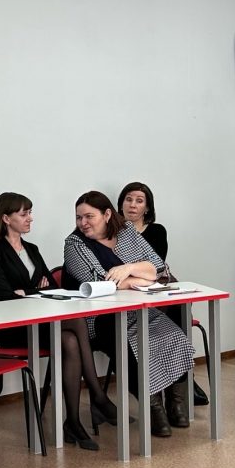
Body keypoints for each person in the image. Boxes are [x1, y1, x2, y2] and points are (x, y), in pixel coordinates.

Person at [62, 191, 196, 442]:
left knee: (174, 333)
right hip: (96, 319)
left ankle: (176, 403)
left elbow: (158, 267)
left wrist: (129, 269)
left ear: (107, 214)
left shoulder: (126, 232)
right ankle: (153, 406)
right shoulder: (75, 244)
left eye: (89, 216)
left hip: (135, 310)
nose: (83, 223)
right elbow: (99, 283)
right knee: (125, 342)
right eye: (79, 217)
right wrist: (142, 277)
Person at [118, 180, 207, 418]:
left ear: (147, 207)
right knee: (158, 328)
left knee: (177, 308)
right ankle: (180, 382)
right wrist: (136, 271)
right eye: (128, 199)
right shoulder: (113, 233)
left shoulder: (157, 231)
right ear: (121, 203)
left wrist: (134, 270)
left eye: (139, 201)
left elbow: (156, 266)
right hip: (129, 293)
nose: (133, 205)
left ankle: (178, 397)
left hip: (157, 286)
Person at [0, 192, 55, 406]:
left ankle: (80, 410)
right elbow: (4, 295)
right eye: (23, 214)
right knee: (70, 338)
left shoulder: (32, 249)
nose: (30, 218)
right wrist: (36, 290)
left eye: (30, 213)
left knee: (71, 338)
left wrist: (25, 291)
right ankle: (90, 405)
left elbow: (54, 287)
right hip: (13, 328)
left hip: (40, 322)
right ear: (6, 218)